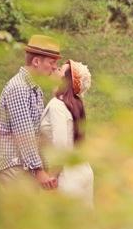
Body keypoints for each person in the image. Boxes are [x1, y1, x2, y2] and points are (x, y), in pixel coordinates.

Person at [0, 34, 62, 189]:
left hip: (26, 166)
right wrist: (38, 171)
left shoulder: (34, 88)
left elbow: (37, 131)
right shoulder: (19, 88)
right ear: (36, 61)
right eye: (52, 62)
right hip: (15, 165)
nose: (54, 67)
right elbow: (24, 133)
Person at [39, 59, 94, 206]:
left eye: (60, 70)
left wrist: (51, 178)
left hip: (68, 176)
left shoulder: (58, 105)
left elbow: (61, 147)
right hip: (83, 170)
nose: (55, 70)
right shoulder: (74, 104)